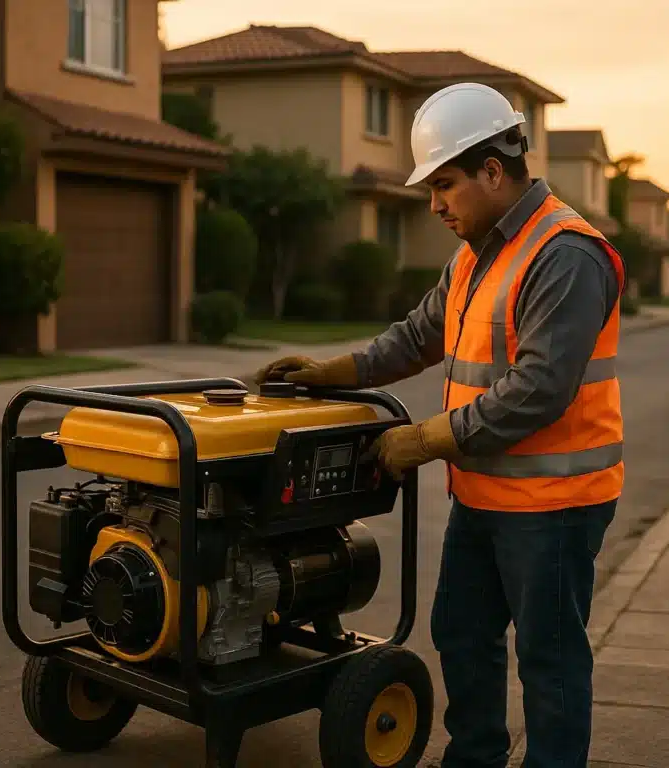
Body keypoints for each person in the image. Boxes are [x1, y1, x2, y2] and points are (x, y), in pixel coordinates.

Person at [255, 82, 625, 768]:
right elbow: (415, 338)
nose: (434, 205)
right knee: (460, 633)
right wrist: (330, 371)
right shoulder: (475, 253)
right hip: (484, 495)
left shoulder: (566, 254)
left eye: (445, 185)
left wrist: (421, 441)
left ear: (493, 170)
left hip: (555, 507)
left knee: (548, 661)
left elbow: (538, 390)